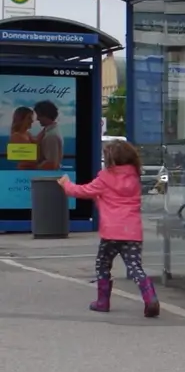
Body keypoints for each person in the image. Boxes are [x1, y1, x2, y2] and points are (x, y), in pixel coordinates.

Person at [57, 140, 159, 317]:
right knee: (135, 267)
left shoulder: (105, 177)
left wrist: (66, 184)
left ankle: (103, 302)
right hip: (132, 232)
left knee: (103, 265)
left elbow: (82, 191)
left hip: (111, 232)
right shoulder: (134, 177)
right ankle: (150, 297)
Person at [32, 100, 62, 172]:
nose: (37, 119)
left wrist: (31, 168)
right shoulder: (48, 132)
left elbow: (51, 164)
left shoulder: (51, 136)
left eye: (39, 115)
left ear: (46, 115)